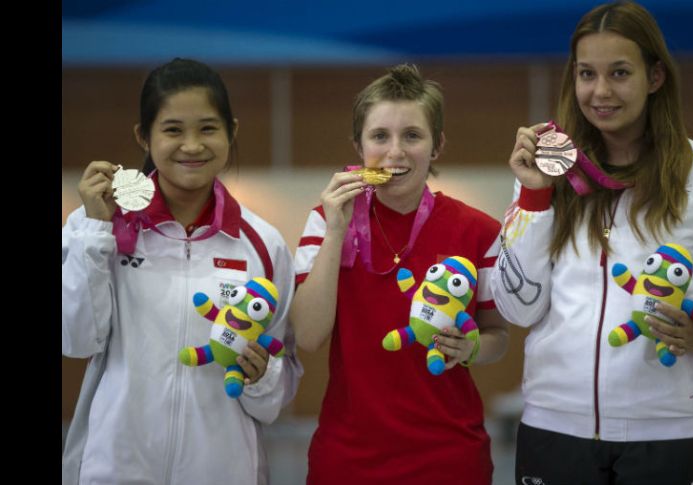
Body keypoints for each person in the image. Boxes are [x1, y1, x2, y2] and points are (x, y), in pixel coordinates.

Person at [491, 2, 693, 483]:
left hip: (670, 432)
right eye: (587, 73)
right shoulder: (549, 172)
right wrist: (534, 196)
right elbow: (517, 309)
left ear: (655, 77)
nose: (601, 91)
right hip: (554, 427)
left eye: (620, 73)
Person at [61, 58, 301, 485]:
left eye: (207, 128)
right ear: (144, 136)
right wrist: (95, 231)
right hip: (116, 469)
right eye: (173, 130)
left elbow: (273, 397)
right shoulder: (97, 228)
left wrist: (261, 377)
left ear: (232, 132)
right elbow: (76, 340)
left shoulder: (264, 245)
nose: (192, 145)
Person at [290, 64, 510, 484]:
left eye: (412, 136)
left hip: (451, 458)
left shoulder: (479, 231)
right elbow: (308, 336)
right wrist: (336, 231)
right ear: (358, 147)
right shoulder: (325, 221)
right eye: (379, 136)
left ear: (437, 145)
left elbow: (497, 336)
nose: (395, 152)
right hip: (348, 459)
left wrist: (471, 348)